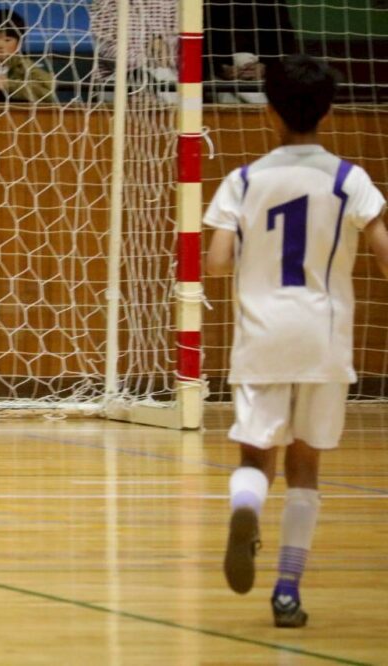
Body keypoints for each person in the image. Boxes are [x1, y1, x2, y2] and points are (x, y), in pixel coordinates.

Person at [205, 55, 388, 627]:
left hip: (262, 337)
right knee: (305, 467)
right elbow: (384, 255)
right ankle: (287, 590)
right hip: (323, 338)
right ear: (328, 112)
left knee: (255, 457)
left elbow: (216, 262)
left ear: (269, 111)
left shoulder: (243, 180)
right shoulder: (348, 178)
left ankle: (245, 504)